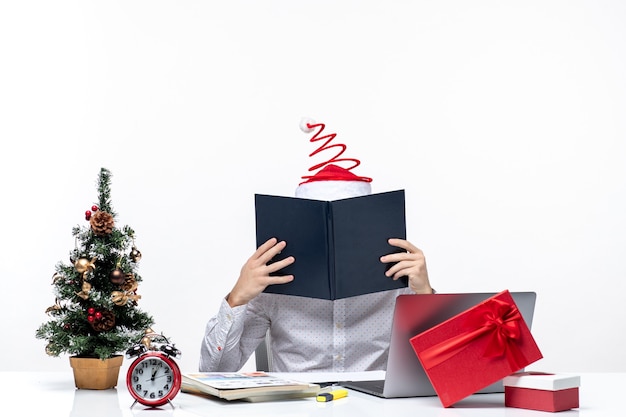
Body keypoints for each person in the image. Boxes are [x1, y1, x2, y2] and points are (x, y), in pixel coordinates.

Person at [199, 164, 433, 373]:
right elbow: (215, 371)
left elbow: (442, 372)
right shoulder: (272, 285)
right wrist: (237, 298)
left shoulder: (398, 282)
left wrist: (425, 294)